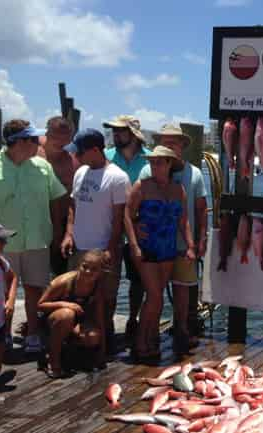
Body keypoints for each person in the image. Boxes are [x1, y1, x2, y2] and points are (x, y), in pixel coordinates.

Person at [0, 120, 66, 353]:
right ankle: (3, 334)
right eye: (34, 139)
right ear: (20, 142)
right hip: (3, 244)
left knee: (35, 288)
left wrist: (58, 232)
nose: (39, 143)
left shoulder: (42, 167)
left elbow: (57, 198)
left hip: (38, 239)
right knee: (3, 292)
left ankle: (33, 334)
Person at [139, 124, 207, 354]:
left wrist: (200, 240)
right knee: (154, 294)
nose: (170, 145)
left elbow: (199, 211)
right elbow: (133, 207)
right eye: (166, 141)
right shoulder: (148, 172)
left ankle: (181, 329)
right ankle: (148, 336)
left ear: (182, 146)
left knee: (182, 291)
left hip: (182, 246)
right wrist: (137, 227)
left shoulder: (194, 173)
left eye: (175, 142)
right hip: (155, 247)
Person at [61, 129, 130, 354]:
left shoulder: (118, 177)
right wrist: (68, 234)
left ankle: (105, 343)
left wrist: (111, 249)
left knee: (106, 300)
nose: (77, 157)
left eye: (80, 152)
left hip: (103, 251)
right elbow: (73, 205)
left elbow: (120, 217)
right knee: (76, 297)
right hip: (79, 248)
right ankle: (77, 341)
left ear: (95, 150)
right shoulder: (80, 171)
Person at [124, 146, 195, 360]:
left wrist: (191, 246)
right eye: (152, 162)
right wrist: (134, 244)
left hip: (168, 249)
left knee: (157, 298)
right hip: (147, 248)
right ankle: (140, 342)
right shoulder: (142, 186)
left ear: (169, 164)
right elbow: (127, 214)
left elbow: (183, 221)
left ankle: (151, 339)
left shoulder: (178, 189)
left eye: (160, 162)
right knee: (154, 296)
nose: (155, 166)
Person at [102, 115, 150, 343]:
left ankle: (133, 318)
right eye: (114, 130)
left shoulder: (151, 160)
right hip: (108, 226)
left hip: (138, 229)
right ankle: (106, 322)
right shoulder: (105, 157)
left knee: (137, 278)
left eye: (121, 130)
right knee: (107, 276)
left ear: (133, 134)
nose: (115, 134)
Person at [38, 249, 107, 379]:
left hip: (75, 322)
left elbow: (99, 319)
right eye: (85, 267)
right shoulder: (64, 282)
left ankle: (68, 352)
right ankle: (52, 360)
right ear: (79, 265)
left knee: (93, 336)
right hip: (53, 320)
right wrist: (65, 304)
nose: (88, 272)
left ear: (100, 272)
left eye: (94, 269)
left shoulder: (98, 286)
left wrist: (102, 352)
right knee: (66, 315)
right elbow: (40, 305)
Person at [37, 116, 80, 276]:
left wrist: (67, 230)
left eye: (66, 139)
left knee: (62, 276)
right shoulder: (31, 150)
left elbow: (73, 198)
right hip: (35, 225)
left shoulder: (71, 160)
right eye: (56, 137)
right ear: (47, 132)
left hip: (61, 226)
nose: (60, 143)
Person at [0, 222, 17, 376]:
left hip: (0, 321)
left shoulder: (1, 262)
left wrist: (10, 300)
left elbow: (13, 277)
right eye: (1, 240)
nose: (5, 243)